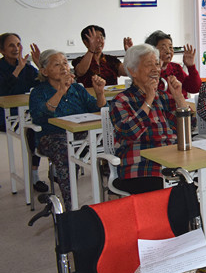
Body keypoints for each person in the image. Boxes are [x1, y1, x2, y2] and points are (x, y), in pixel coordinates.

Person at [29, 50, 107, 210]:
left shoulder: (77, 89)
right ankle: (72, 209)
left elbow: (98, 109)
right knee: (65, 151)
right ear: (44, 71)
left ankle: (110, 199)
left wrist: (100, 94)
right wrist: (60, 91)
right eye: (57, 64)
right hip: (51, 137)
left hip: (82, 135)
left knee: (113, 142)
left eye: (65, 63)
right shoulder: (38, 92)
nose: (64, 67)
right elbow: (39, 115)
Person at [109, 44, 188, 179]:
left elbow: (189, 126)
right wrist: (149, 99)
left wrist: (179, 97)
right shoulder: (121, 100)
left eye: (157, 64)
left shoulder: (163, 96)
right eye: (149, 64)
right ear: (133, 71)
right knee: (170, 187)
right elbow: (130, 132)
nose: (155, 69)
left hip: (171, 160)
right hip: (141, 163)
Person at [0, 33, 47, 191]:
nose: (16, 48)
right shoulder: (5, 68)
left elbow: (43, 84)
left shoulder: (27, 67)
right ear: (2, 50)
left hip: (27, 113)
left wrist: (40, 65)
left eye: (18, 44)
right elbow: (3, 91)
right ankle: (34, 175)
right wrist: (18, 69)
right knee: (33, 130)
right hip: (6, 116)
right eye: (11, 45)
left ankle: (49, 171)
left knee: (44, 125)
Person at [143, 30, 201, 98]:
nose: (168, 51)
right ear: (151, 51)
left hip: (182, 103)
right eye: (163, 48)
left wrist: (191, 67)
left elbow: (195, 88)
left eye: (170, 47)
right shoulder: (147, 71)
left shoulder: (176, 68)